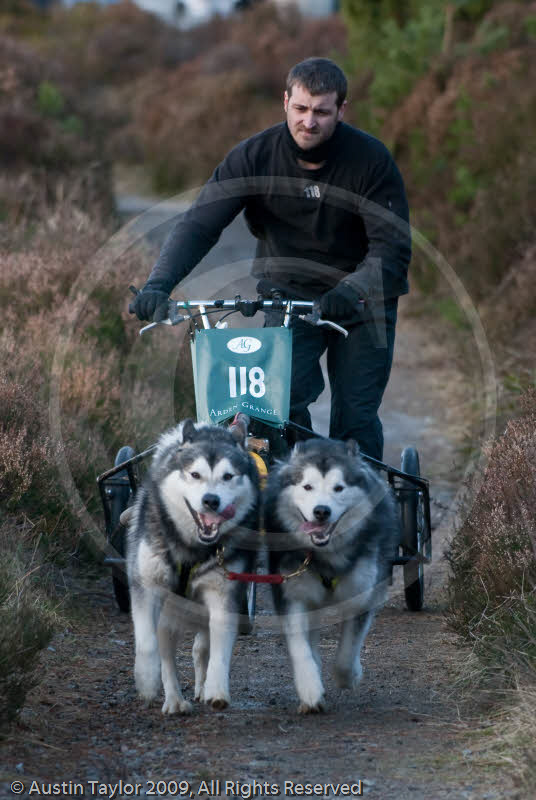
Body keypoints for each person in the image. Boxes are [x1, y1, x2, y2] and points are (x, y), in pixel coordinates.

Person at [132, 58, 411, 461]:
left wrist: (350, 289)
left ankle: (359, 512)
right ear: (285, 102)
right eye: (300, 109)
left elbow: (391, 249)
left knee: (355, 418)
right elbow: (199, 225)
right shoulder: (253, 158)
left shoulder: (370, 161)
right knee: (276, 407)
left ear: (341, 111)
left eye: (321, 112)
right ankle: (297, 491)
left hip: (364, 301)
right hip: (290, 296)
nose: (309, 122)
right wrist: (159, 283)